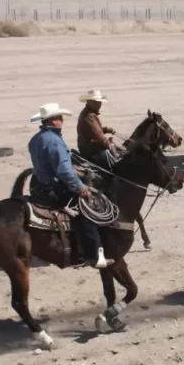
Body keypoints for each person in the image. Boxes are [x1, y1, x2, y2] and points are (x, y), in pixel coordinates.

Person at [28, 102, 109, 269]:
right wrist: (80, 186)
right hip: (55, 187)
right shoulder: (54, 141)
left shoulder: (36, 139)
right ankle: (93, 255)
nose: (62, 120)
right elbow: (63, 170)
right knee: (86, 210)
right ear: (53, 121)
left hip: (40, 184)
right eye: (59, 117)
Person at [77, 89, 118, 170]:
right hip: (90, 149)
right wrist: (108, 144)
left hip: (86, 146)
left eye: (100, 102)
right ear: (90, 102)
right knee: (113, 160)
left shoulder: (88, 113)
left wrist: (106, 129)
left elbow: (93, 129)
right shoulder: (90, 116)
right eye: (97, 102)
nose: (99, 104)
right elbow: (98, 135)